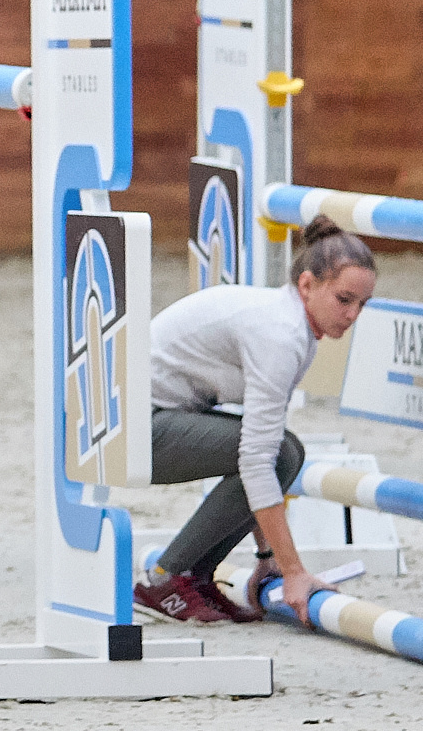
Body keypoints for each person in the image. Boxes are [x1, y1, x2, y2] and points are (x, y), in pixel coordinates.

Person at [133, 217, 379, 625]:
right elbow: (258, 460)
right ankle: (165, 579)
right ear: (306, 285)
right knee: (280, 453)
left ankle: (194, 576)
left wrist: (267, 558)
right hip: (130, 431)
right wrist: (295, 572)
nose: (352, 315)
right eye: (344, 299)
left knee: (288, 450)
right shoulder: (280, 336)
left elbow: (266, 456)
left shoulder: (288, 324)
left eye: (361, 305)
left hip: (148, 419)